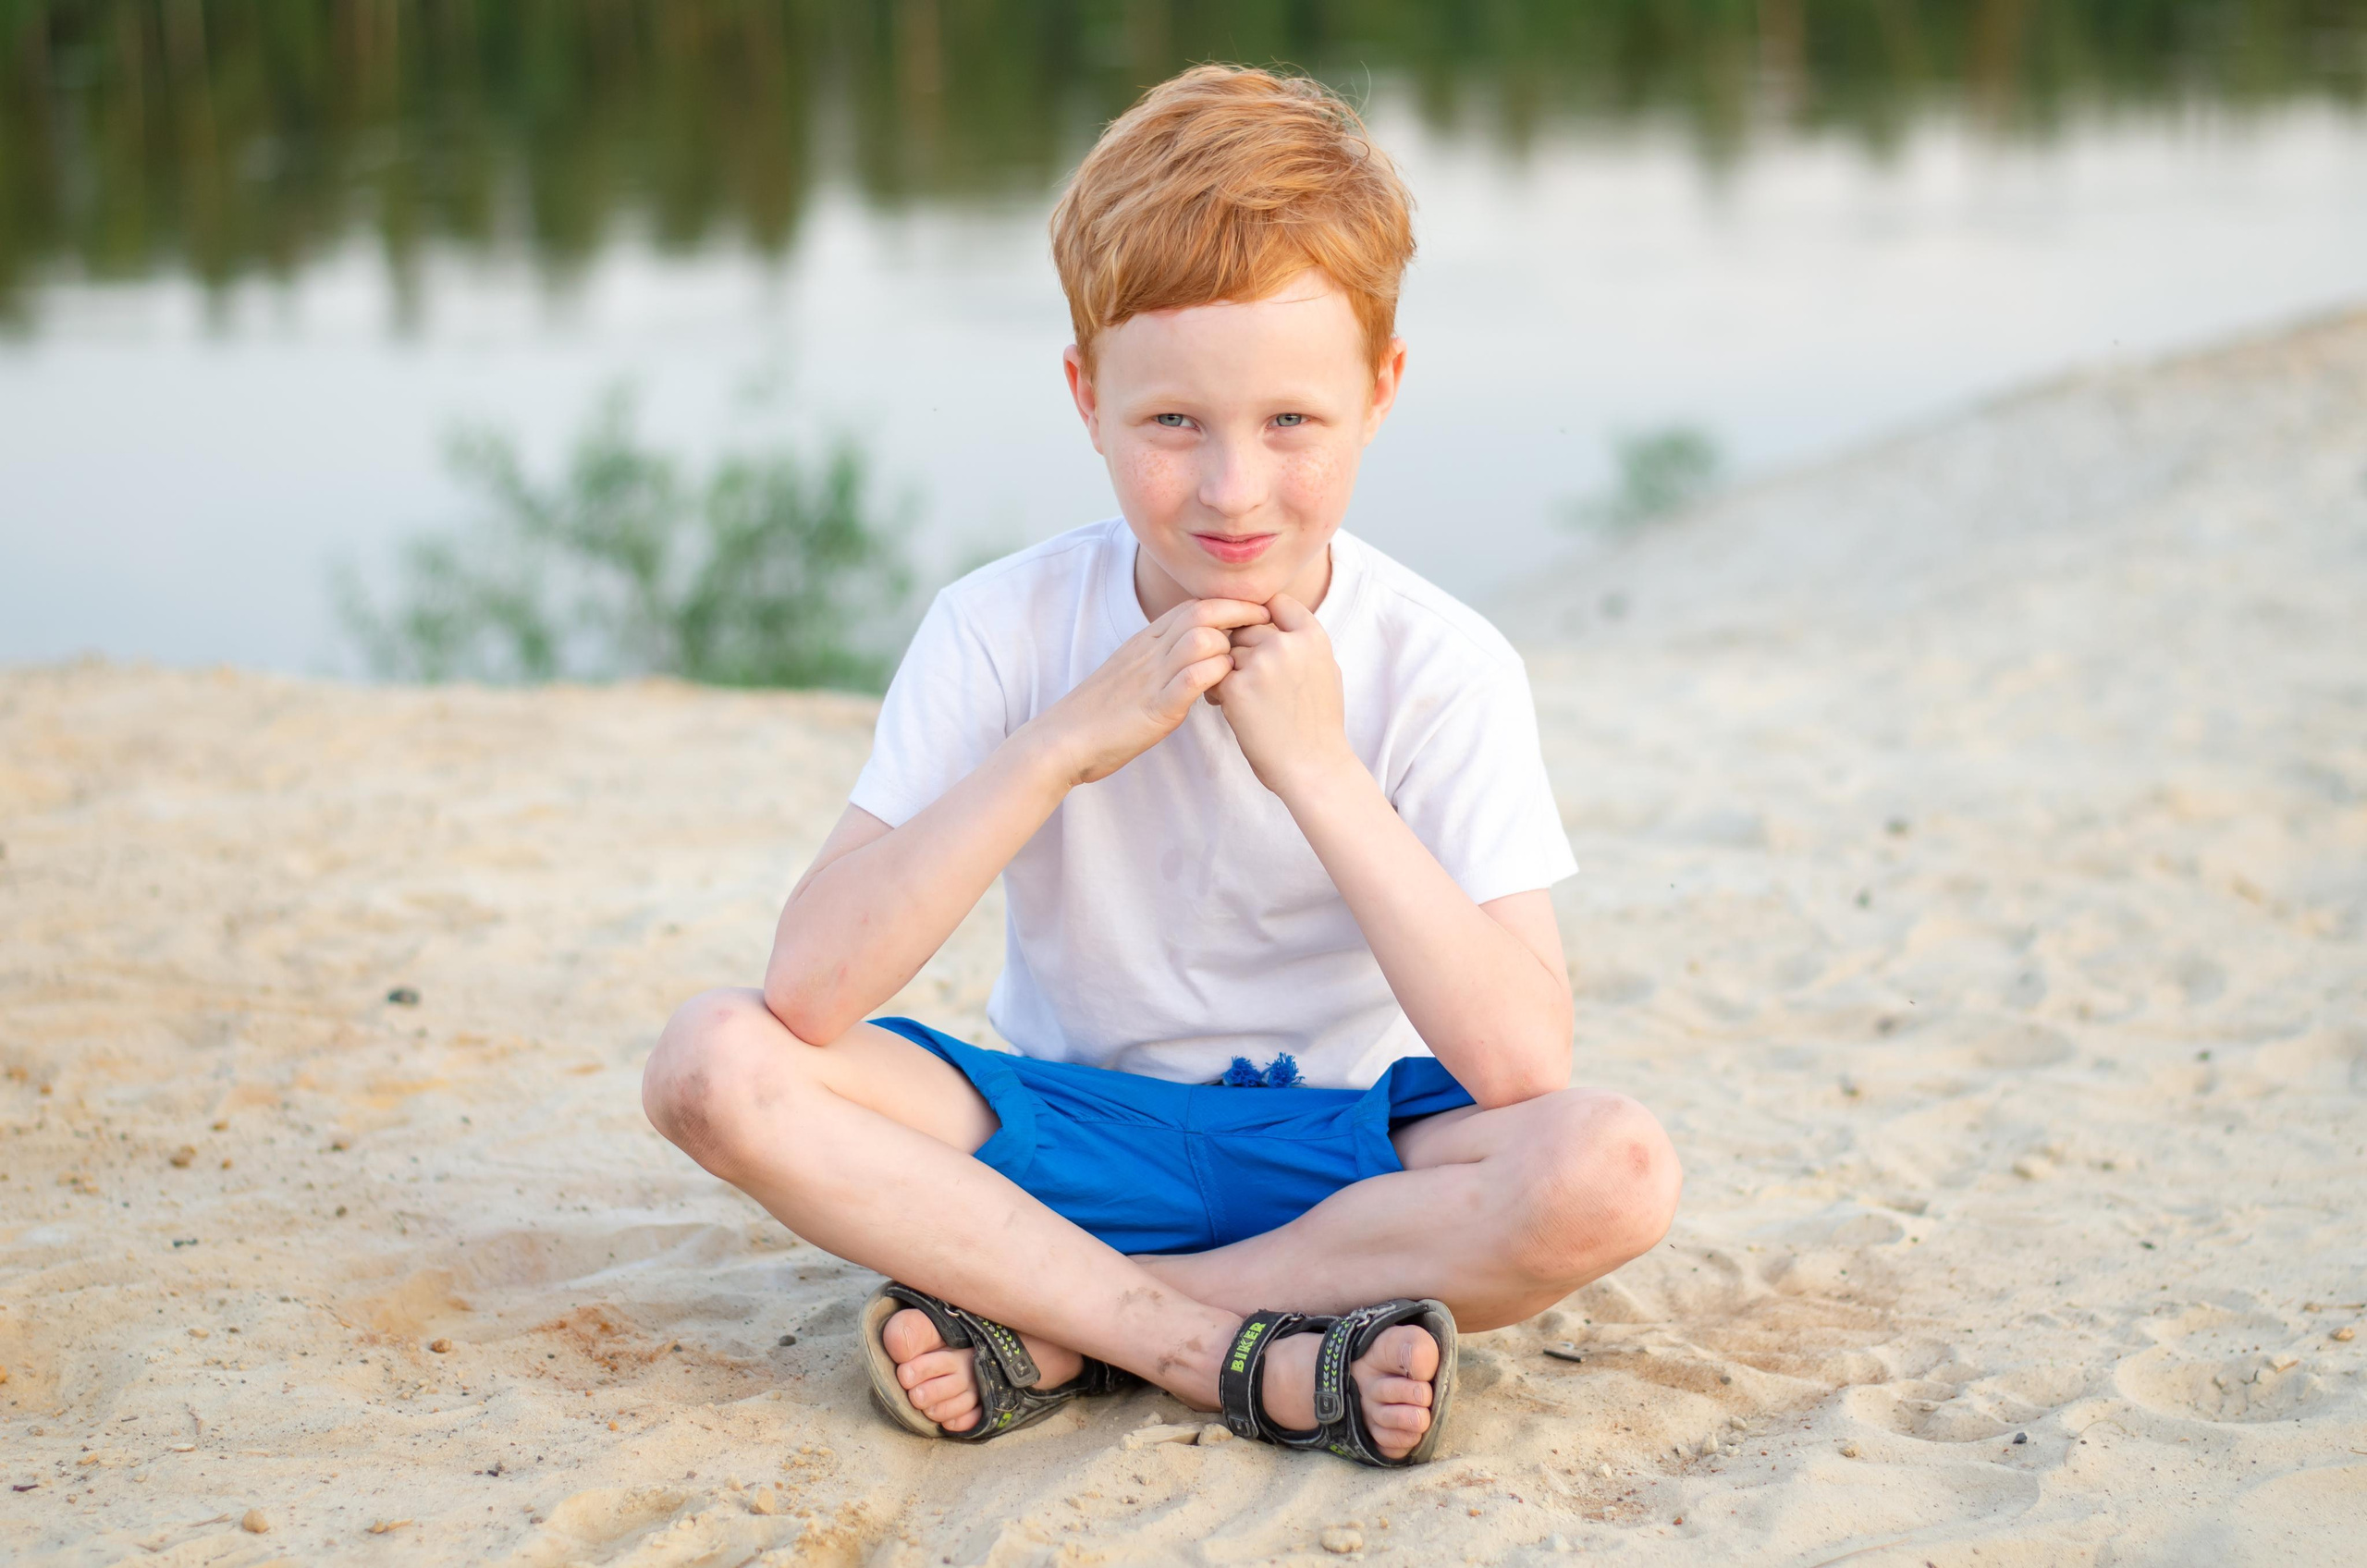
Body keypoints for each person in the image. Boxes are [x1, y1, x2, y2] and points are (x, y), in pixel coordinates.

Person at [642, 64, 1680, 1467]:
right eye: (1172, 423)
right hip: (1063, 1128)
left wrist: (1318, 771)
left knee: (1610, 1169)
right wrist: (1064, 741)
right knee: (711, 1062)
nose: (1233, 488)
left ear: (1380, 391)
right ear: (1087, 396)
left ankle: (1053, 1325)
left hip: (1347, 1154)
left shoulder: (1445, 663)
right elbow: (812, 990)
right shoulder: (999, 624)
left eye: (1291, 423)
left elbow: (1517, 1062)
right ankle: (1217, 1350)